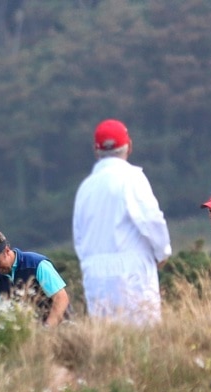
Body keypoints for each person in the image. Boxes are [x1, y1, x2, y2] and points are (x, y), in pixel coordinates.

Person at [72, 118, 173, 326]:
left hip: (95, 274)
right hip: (131, 271)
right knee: (143, 339)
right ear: (129, 146)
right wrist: (162, 252)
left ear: (95, 150)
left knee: (106, 343)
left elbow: (79, 237)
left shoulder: (85, 188)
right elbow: (151, 220)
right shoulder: (131, 178)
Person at [0, 229, 71, 327]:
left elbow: (61, 298)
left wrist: (47, 329)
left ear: (7, 251)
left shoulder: (36, 264)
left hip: (60, 330)